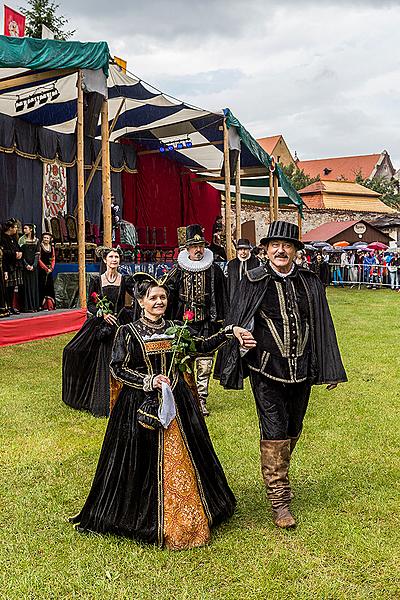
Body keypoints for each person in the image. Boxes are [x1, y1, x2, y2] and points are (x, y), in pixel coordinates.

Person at [69, 275, 255, 550]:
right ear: (141, 301)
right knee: (137, 463)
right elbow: (117, 368)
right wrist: (150, 381)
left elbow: (201, 345)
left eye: (163, 297)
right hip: (139, 405)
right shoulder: (127, 332)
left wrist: (230, 333)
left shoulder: (177, 329)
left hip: (178, 404)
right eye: (153, 298)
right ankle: (139, 515)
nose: (159, 302)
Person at [219, 221, 347, 529]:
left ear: (295, 252)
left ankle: (280, 474)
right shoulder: (253, 280)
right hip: (266, 370)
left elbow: (321, 323)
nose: (280, 250)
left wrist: (328, 365)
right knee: (274, 430)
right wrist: (241, 338)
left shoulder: (309, 282)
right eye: (275, 245)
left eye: (287, 245)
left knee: (293, 428)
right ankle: (280, 502)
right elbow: (236, 319)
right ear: (265, 250)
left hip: (301, 370)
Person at [62, 247, 134, 417]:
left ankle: (120, 400)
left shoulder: (124, 280)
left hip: (118, 322)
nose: (114, 259)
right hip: (100, 322)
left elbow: (138, 294)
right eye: (111, 257)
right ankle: (96, 398)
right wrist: (103, 314)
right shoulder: (96, 280)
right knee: (73, 350)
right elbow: (91, 305)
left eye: (117, 257)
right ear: (105, 260)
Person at [166, 224, 229, 416]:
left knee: (204, 364)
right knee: (184, 362)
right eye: (194, 247)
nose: (198, 250)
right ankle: (185, 399)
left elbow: (223, 296)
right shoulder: (178, 270)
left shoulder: (214, 270)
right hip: (183, 325)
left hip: (206, 324)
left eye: (201, 246)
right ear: (187, 249)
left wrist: (224, 320)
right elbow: (167, 292)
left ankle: (201, 399)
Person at [1, 218, 23, 314]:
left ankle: (11, 306)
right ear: (10, 228)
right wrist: (14, 254)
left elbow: (17, 248)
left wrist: (19, 253)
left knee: (13, 287)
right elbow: (3, 253)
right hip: (6, 266)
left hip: (15, 265)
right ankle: (6, 306)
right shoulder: (2, 238)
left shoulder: (14, 238)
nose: (16, 229)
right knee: (7, 288)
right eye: (15, 227)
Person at [226, 238, 259, 302]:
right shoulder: (231, 264)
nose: (243, 252)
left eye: (245, 249)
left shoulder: (256, 262)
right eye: (240, 249)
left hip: (251, 298)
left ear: (249, 250)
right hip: (235, 298)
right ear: (237, 251)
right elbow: (228, 283)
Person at [19, 224, 40, 312]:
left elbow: (37, 254)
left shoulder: (36, 240)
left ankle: (34, 306)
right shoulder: (21, 240)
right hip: (25, 266)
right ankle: (27, 307)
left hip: (33, 267)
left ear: (31, 229)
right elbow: (21, 255)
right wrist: (26, 265)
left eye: (26, 228)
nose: (24, 230)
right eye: (24, 228)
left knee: (33, 286)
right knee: (26, 286)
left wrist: (34, 265)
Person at [38, 233, 56, 310]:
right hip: (42, 270)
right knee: (42, 286)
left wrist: (51, 268)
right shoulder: (40, 247)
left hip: (49, 270)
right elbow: (39, 259)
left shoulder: (51, 248)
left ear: (50, 239)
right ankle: (41, 305)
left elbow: (53, 258)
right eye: (44, 238)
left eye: (47, 238)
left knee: (50, 286)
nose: (45, 239)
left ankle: (51, 305)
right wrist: (45, 268)